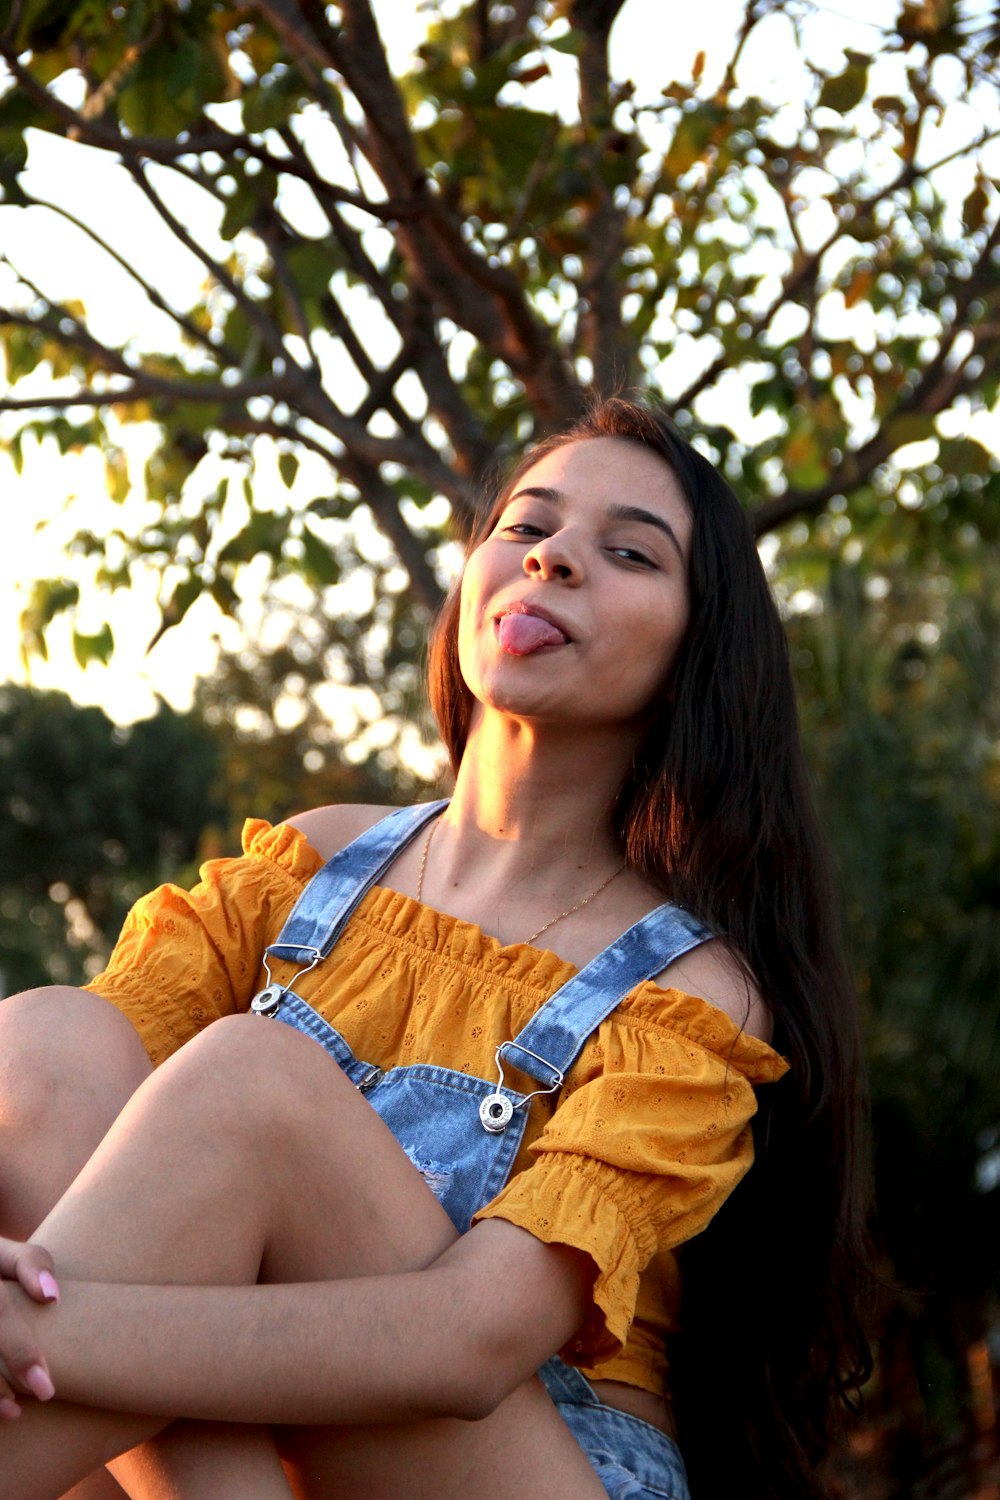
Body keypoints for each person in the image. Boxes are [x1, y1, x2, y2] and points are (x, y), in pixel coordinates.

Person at [0, 396, 872, 1500]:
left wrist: (31, 1336)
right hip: (248, 1444)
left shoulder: (690, 992)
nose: (552, 560)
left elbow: (464, 1345)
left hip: (537, 1452)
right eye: (526, 527)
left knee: (252, 1083)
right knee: (44, 1037)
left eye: (627, 553)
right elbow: (52, 1129)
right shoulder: (308, 868)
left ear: (697, 649)